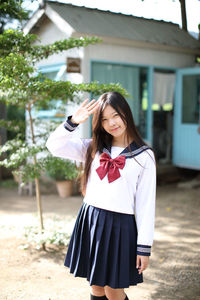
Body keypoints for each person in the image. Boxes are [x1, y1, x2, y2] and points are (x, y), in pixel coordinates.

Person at [46, 91, 156, 300]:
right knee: (96, 287)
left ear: (126, 113)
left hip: (120, 226)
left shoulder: (144, 155)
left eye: (115, 115)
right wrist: (73, 122)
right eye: (104, 119)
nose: (111, 123)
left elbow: (146, 204)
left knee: (114, 290)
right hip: (92, 221)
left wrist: (144, 247)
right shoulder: (93, 147)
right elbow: (54, 146)